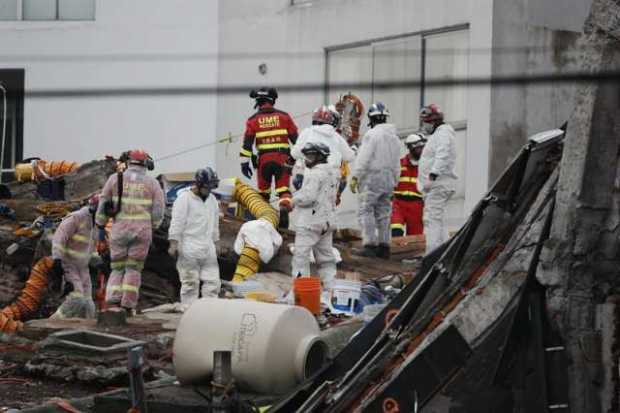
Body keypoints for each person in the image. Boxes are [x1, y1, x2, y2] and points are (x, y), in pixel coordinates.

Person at [95, 149, 165, 313]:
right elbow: (158, 210)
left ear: (129, 162)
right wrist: (153, 225)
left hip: (119, 231)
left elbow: (103, 204)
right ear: (146, 163)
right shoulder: (152, 183)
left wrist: (100, 225)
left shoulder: (114, 179)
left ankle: (113, 300)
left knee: (117, 267)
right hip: (142, 232)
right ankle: (127, 305)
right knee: (133, 269)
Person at [239, 87, 298, 228]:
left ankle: (263, 223)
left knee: (263, 194)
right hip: (282, 159)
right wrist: (294, 159)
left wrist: (244, 163)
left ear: (258, 101)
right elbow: (297, 141)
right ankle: (283, 209)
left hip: (263, 161)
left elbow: (247, 144)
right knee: (283, 190)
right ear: (273, 100)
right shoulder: (285, 117)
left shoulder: (252, 120)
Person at [349, 102, 401, 259]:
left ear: (371, 119)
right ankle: (384, 247)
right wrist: (396, 180)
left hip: (372, 178)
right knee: (384, 212)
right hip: (389, 179)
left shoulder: (372, 135)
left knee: (366, 210)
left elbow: (363, 158)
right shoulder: (394, 137)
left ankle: (370, 245)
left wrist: (355, 176)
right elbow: (397, 161)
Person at [287, 142, 340, 291]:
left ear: (321, 156)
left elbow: (308, 197)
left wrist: (292, 200)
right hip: (327, 222)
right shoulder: (333, 172)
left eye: (311, 156)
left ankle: (300, 294)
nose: (307, 159)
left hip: (310, 223)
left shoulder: (315, 173)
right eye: (307, 156)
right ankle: (332, 292)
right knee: (326, 260)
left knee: (300, 258)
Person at [168, 167, 221, 305]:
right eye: (207, 187)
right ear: (198, 184)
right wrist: (173, 243)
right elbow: (177, 222)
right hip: (188, 246)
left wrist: (216, 242)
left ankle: (209, 311)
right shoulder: (184, 199)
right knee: (190, 283)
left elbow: (214, 223)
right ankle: (189, 312)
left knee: (213, 283)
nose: (209, 190)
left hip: (208, 246)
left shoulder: (212, 200)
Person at [50, 194, 100, 318]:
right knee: (76, 300)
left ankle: (84, 331)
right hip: (69, 265)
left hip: (83, 268)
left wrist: (99, 262)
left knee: (89, 306)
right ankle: (52, 323)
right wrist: (57, 259)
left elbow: (91, 248)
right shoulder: (76, 218)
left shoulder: (96, 224)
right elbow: (59, 239)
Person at [417, 104, 457, 253]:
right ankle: (444, 252)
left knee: (431, 219)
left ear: (433, 121)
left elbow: (443, 154)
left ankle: (432, 254)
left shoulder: (443, 134)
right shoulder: (439, 134)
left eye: (426, 122)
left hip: (438, 183)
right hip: (437, 184)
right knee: (438, 220)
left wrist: (432, 176)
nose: (424, 126)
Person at [290, 105, 355, 197]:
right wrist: (353, 148)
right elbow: (349, 157)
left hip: (311, 176)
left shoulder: (307, 132)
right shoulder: (336, 136)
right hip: (331, 178)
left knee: (308, 205)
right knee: (326, 208)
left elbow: (295, 153)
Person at [391, 133, 426, 237]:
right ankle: (396, 252)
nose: (422, 150)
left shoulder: (426, 167)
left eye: (423, 147)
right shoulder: (399, 164)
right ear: (411, 147)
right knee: (396, 231)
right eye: (419, 148)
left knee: (415, 238)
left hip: (417, 205)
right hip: (398, 204)